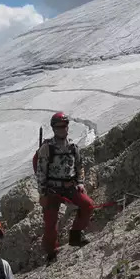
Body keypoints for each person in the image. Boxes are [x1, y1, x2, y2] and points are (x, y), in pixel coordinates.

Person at [36, 112, 95, 264]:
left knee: (88, 205)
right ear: (54, 128)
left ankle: (75, 235)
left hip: (70, 186)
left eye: (64, 126)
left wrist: (80, 182)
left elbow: (79, 166)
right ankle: (51, 252)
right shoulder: (47, 148)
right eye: (59, 126)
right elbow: (41, 172)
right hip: (52, 190)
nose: (63, 129)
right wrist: (43, 194)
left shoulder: (73, 147)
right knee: (50, 223)